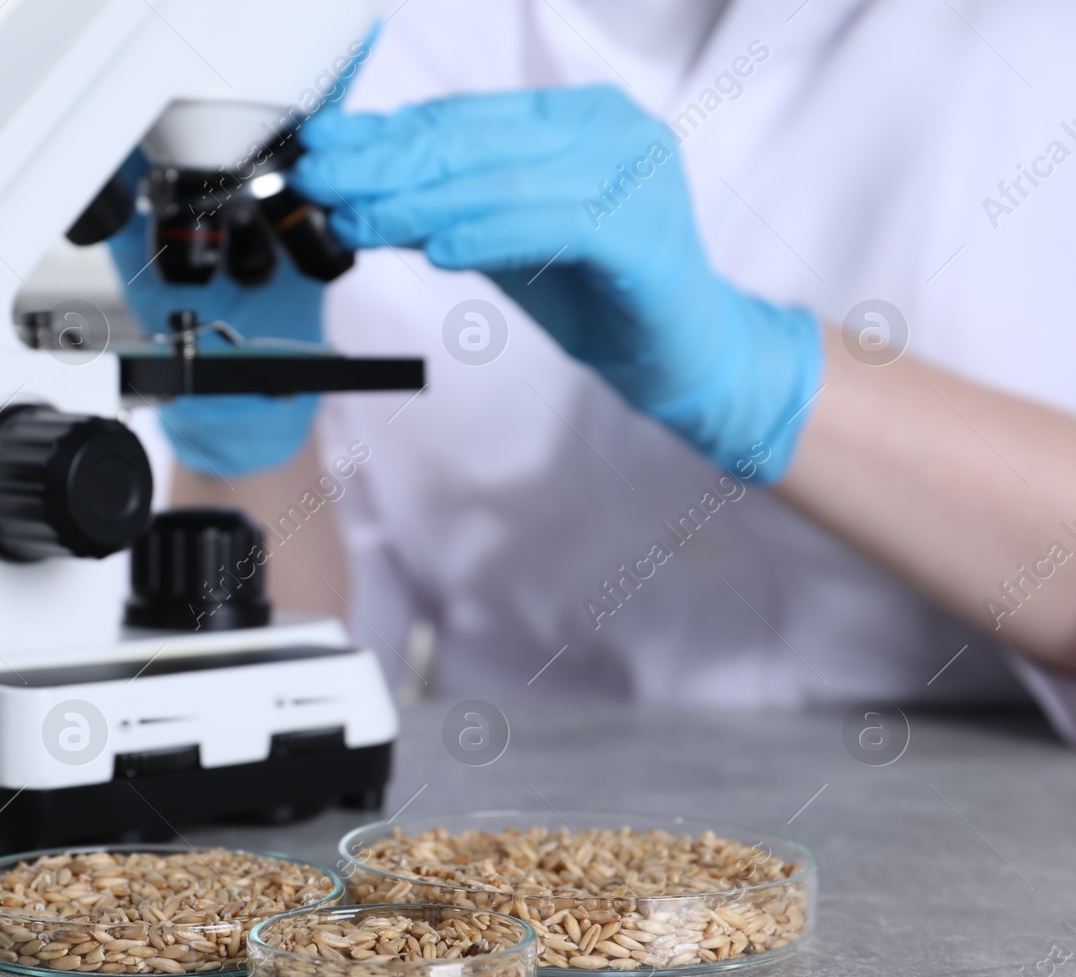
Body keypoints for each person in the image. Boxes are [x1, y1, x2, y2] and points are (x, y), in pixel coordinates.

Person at [111, 0, 1076, 739]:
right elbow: (295, 684)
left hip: (989, 872)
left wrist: (762, 377)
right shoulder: (343, 47)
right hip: (517, 870)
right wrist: (239, 409)